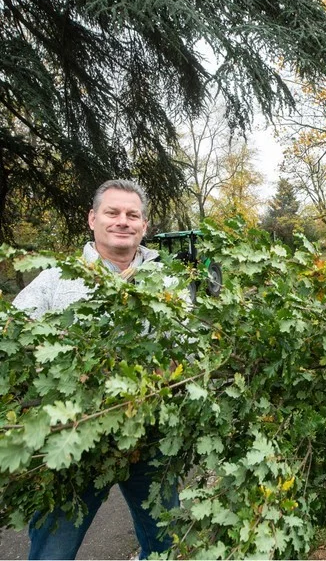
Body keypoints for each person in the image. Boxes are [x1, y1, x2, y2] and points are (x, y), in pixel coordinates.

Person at [13, 179, 179, 559]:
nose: (123, 221)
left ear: (144, 225)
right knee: (53, 549)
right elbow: (14, 342)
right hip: (71, 445)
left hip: (148, 439)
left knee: (165, 539)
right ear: (93, 219)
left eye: (132, 215)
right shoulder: (54, 281)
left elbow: (190, 347)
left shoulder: (168, 281)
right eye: (113, 212)